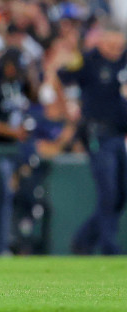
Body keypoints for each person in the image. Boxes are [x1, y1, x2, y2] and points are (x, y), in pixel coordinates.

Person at [55, 25, 127, 254]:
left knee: (121, 194)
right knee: (108, 191)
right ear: (101, 43)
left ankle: (83, 240)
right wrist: (67, 112)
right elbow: (59, 77)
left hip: (119, 135)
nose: (116, 50)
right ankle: (109, 246)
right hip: (97, 134)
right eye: (111, 45)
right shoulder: (87, 61)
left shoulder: (124, 60)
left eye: (120, 46)